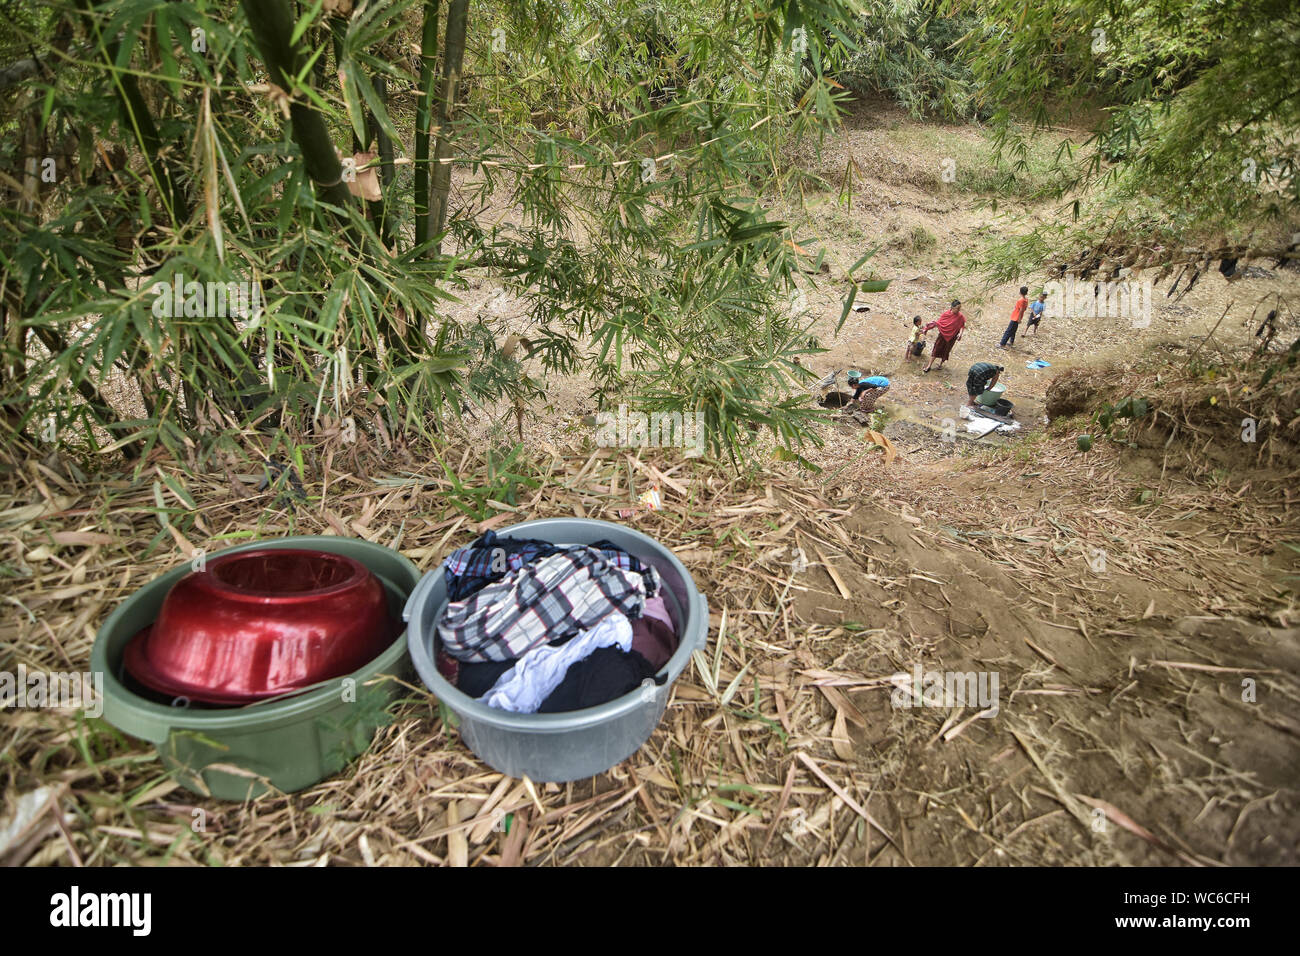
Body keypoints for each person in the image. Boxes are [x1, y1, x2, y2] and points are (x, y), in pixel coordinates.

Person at [923, 300, 967, 373]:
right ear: (952, 308)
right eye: (957, 308)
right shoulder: (946, 314)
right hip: (943, 335)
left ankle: (940, 364)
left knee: (946, 351)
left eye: (960, 308)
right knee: (936, 349)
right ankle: (929, 365)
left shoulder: (960, 316)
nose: (959, 310)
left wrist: (960, 334)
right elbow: (939, 323)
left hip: (952, 337)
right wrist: (929, 327)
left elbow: (962, 325)